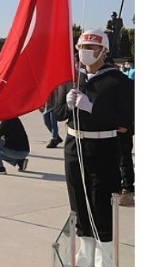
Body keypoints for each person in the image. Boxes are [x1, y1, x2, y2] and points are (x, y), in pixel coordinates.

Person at [55, 29, 135, 266]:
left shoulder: (118, 81)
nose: (85, 52)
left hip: (103, 147)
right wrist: (68, 106)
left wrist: (92, 108)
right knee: (78, 202)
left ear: (104, 51)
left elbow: (126, 120)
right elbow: (58, 113)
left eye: (91, 48)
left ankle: (104, 254)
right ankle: (84, 252)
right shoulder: (72, 78)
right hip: (74, 145)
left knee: (100, 203)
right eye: (82, 48)